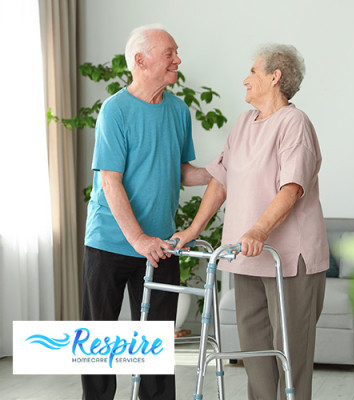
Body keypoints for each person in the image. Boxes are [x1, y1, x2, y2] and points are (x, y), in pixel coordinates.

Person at [172, 43, 329, 400]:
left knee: (290, 353)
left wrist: (259, 229)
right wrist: (193, 230)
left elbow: (291, 187)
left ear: (275, 77)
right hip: (245, 257)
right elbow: (220, 179)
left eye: (253, 72)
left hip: (289, 260)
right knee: (255, 353)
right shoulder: (243, 123)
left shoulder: (294, 124)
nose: (245, 80)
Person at [81, 23, 210, 400]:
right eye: (169, 53)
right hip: (110, 242)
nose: (177, 60)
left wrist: (222, 169)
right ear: (140, 60)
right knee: (99, 344)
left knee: (154, 351)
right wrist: (137, 239)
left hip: (160, 246)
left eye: (175, 52)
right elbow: (110, 181)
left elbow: (183, 172)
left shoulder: (178, 111)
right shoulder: (115, 110)